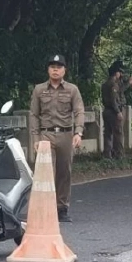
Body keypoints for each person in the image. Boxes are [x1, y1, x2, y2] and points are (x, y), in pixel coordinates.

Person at [29, 54, 85, 222]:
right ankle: (45, 207)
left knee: (64, 172)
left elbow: (79, 111)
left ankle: (62, 207)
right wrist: (35, 138)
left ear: (64, 70)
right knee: (45, 172)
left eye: (59, 67)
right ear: (48, 69)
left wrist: (78, 132)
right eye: (52, 66)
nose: (55, 69)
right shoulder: (39, 89)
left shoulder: (72, 89)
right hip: (46, 135)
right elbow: (33, 114)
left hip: (66, 135)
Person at [101, 59, 132, 159]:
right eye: (120, 72)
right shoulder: (113, 84)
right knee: (118, 134)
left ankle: (107, 155)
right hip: (113, 111)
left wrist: (129, 83)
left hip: (106, 110)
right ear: (116, 73)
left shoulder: (105, 84)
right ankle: (119, 155)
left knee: (108, 133)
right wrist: (118, 112)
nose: (121, 75)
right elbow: (113, 99)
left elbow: (121, 89)